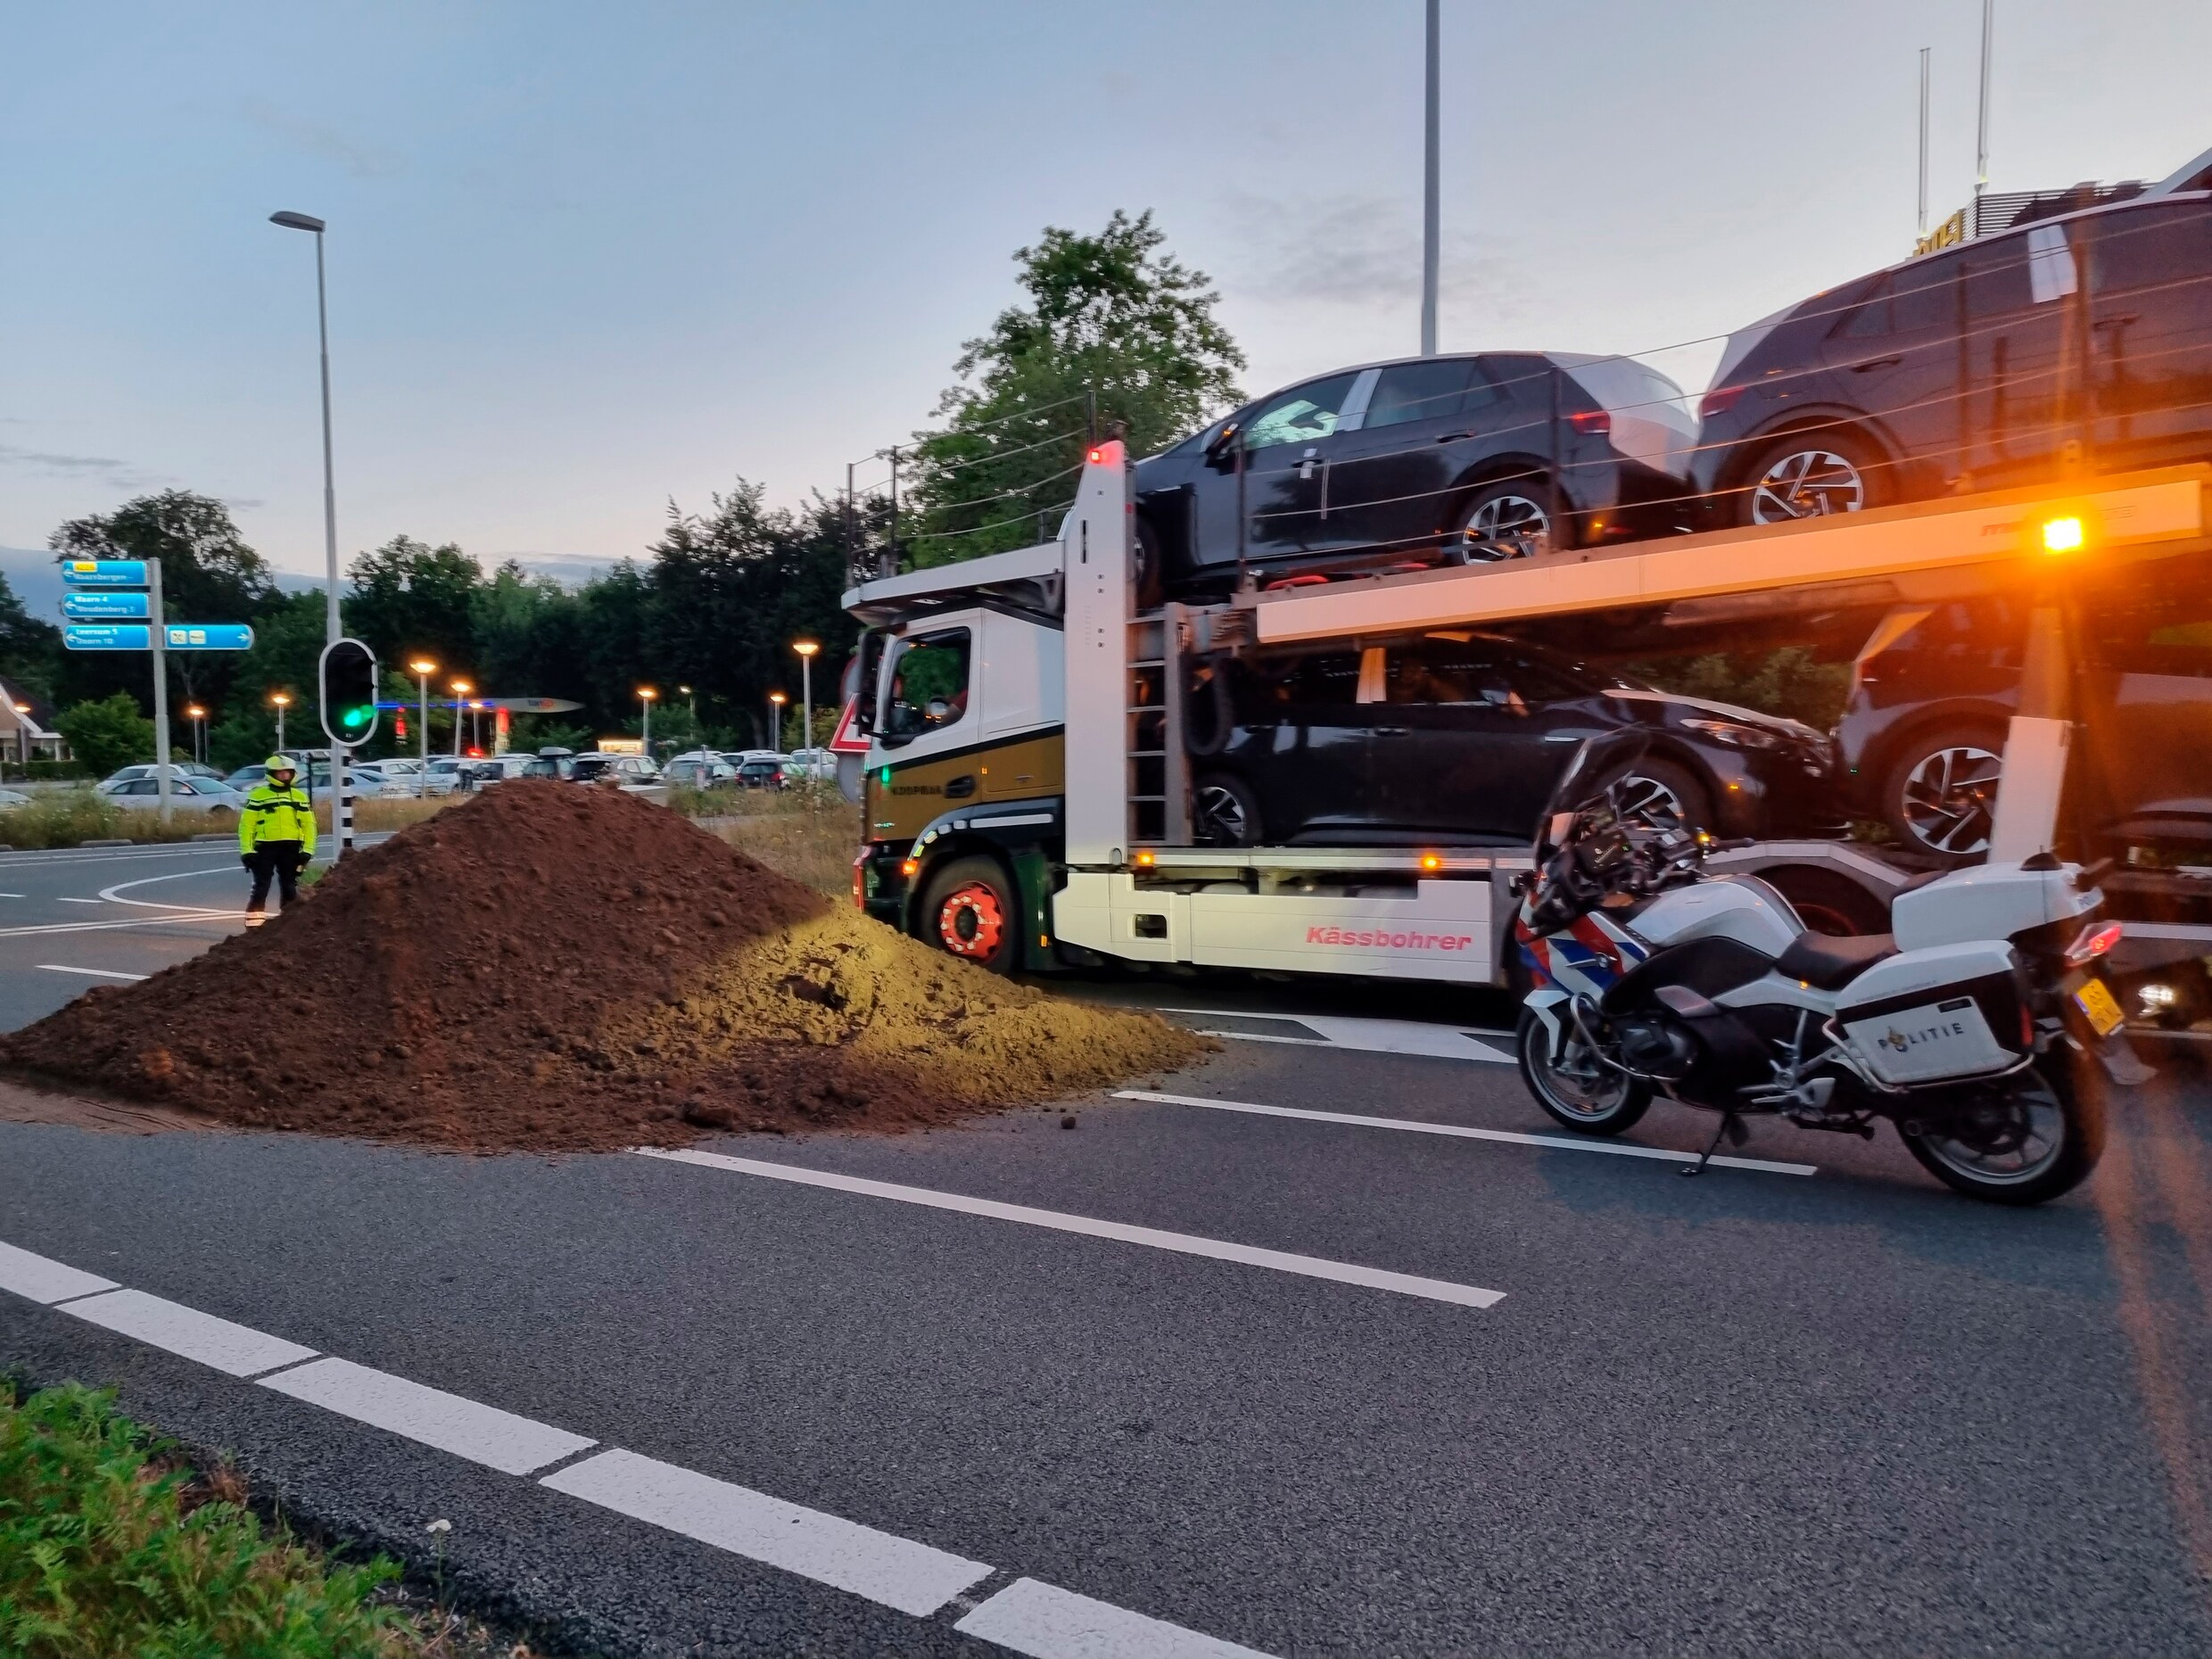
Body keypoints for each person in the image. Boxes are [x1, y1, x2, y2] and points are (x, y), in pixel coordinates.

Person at [239, 754, 317, 920]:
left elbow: (309, 826)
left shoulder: (299, 797)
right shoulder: (257, 796)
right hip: (265, 847)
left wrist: (307, 851)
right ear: (271, 774)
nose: (284, 776)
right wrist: (247, 851)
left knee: (289, 886)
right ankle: (254, 926)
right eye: (280, 773)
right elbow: (246, 826)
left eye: (287, 772)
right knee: (261, 887)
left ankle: (289, 924)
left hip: (291, 847)